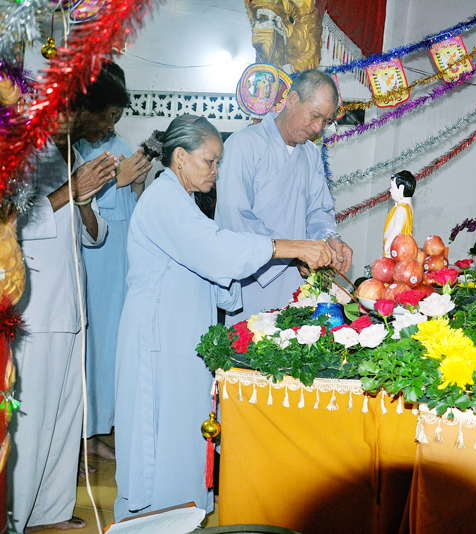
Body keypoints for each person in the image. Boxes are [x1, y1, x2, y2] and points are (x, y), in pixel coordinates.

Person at [113, 115, 333, 521]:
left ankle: (179, 517)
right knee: (158, 436)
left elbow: (214, 263)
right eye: (210, 161)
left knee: (184, 430)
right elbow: (215, 250)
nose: (216, 170)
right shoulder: (163, 199)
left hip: (182, 334)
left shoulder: (183, 201)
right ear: (180, 157)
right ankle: (149, 521)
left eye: (218, 162)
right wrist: (292, 247)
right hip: (158, 337)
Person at [10, 79, 119, 533]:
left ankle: (49, 512)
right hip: (35, 308)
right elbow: (11, 223)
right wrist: (69, 191)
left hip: (72, 308)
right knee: (32, 420)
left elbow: (94, 234)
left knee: (65, 416)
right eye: (102, 117)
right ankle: (17, 516)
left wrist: (86, 202)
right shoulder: (21, 153)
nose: (105, 128)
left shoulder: (70, 154)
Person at [215, 69, 353, 324]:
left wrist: (330, 239)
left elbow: (318, 211)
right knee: (248, 343)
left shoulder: (310, 154)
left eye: (325, 121)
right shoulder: (244, 144)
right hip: (251, 280)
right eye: (314, 115)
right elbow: (236, 219)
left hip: (296, 280)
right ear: (292, 100)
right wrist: (296, 252)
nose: (318, 128)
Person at [73, 62, 152, 463]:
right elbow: (77, 206)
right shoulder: (78, 147)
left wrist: (136, 183)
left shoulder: (118, 143)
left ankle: (98, 429)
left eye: (117, 115)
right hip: (92, 259)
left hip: (118, 258)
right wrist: (116, 182)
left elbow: (132, 210)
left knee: (111, 348)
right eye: (108, 113)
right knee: (91, 348)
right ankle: (81, 435)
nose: (111, 123)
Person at [383, 170, 415, 257]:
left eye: (392, 187)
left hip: (395, 248)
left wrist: (387, 245)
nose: (390, 190)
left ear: (401, 189)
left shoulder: (401, 209)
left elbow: (397, 229)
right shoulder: (409, 207)